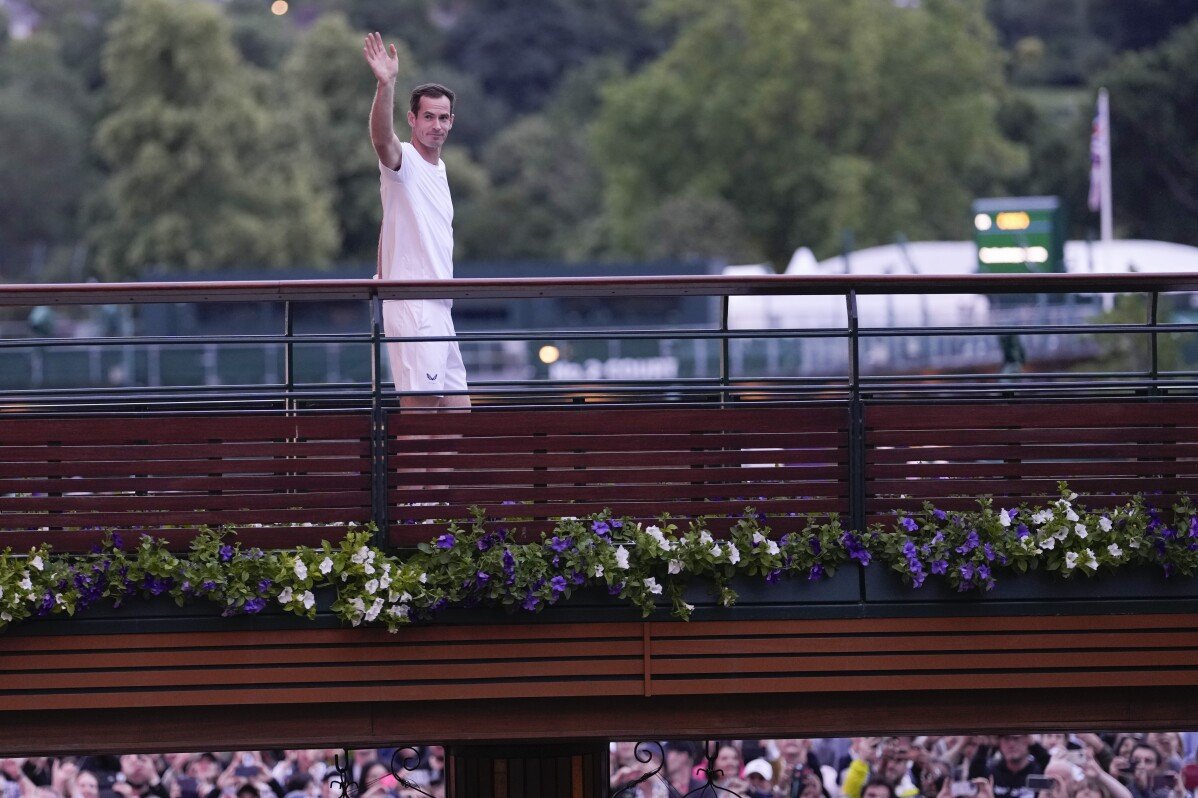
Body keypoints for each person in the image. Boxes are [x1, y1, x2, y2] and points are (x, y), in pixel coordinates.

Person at [362, 32, 470, 410]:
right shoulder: (404, 160)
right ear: (412, 118)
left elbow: (389, 221)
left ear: (452, 122)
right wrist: (386, 82)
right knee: (421, 417)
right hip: (414, 305)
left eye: (443, 118)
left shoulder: (438, 169)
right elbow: (380, 139)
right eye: (428, 116)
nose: (436, 125)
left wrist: (379, 274)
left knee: (458, 414)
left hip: (441, 307)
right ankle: (399, 474)